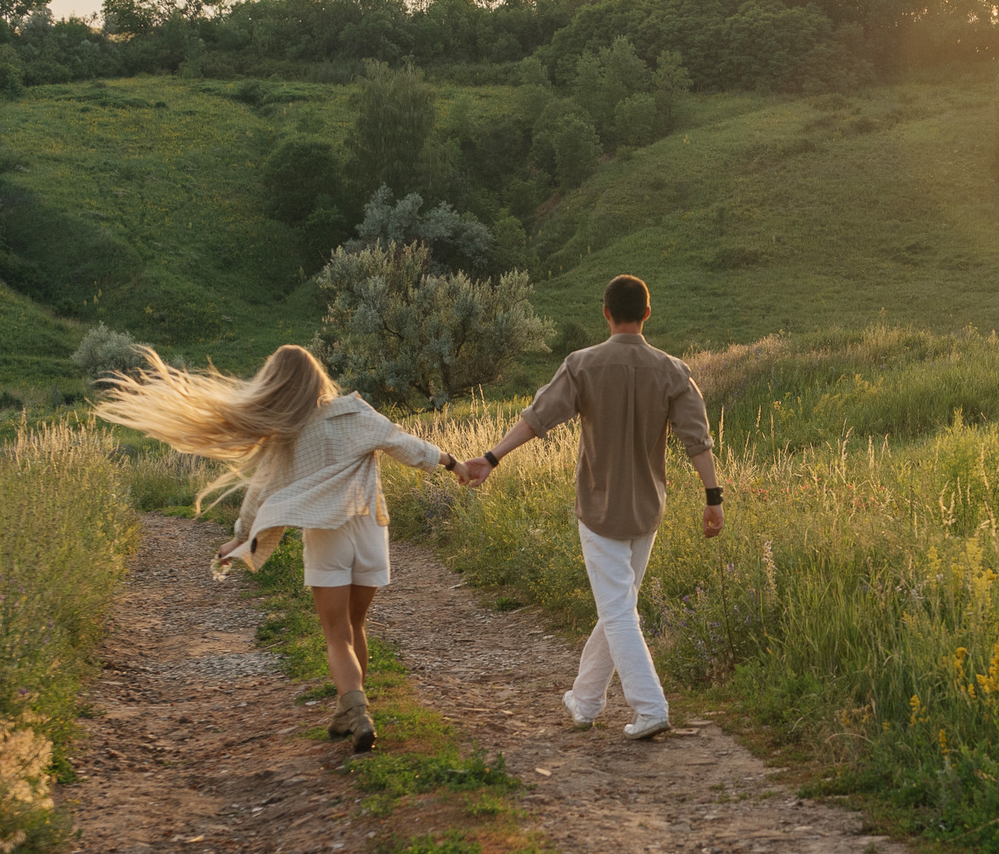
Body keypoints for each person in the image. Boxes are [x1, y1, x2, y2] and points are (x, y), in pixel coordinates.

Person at [93, 343, 465, 752]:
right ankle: (351, 709)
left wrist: (240, 535)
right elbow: (406, 445)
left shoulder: (290, 433)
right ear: (318, 377)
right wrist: (453, 463)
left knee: (336, 633)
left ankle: (356, 711)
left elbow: (262, 492)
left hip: (327, 535)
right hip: (370, 528)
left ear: (277, 385)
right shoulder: (358, 412)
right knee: (356, 625)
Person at [464, 274, 721, 740]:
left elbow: (536, 419)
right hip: (647, 510)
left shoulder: (582, 364)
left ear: (605, 313)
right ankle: (585, 702)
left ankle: (650, 706)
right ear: (647, 313)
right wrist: (713, 497)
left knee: (619, 610)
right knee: (619, 606)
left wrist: (490, 458)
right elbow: (696, 440)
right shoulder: (673, 371)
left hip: (600, 508)